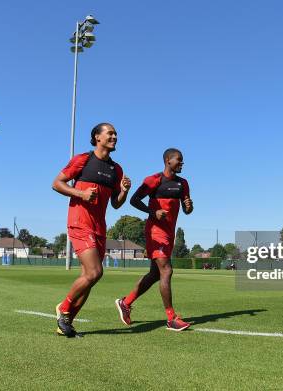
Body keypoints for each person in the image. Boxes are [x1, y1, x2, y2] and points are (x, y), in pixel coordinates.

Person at [52, 123, 131, 337]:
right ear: (97, 137)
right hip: (79, 222)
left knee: (90, 277)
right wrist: (81, 194)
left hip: (99, 227)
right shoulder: (83, 160)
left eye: (116, 133)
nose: (115, 136)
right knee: (96, 272)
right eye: (110, 133)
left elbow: (116, 203)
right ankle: (64, 307)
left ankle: (66, 323)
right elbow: (57, 183)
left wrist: (123, 191)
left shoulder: (117, 169)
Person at [115, 148, 193, 331]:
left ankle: (125, 303)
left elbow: (187, 210)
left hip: (169, 234)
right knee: (166, 271)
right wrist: (154, 212)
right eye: (179, 160)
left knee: (155, 274)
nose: (182, 163)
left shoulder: (183, 184)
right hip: (155, 232)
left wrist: (189, 207)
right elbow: (134, 200)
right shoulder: (154, 180)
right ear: (168, 160)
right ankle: (171, 318)